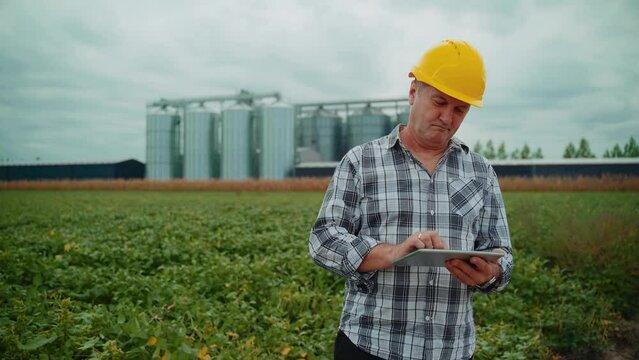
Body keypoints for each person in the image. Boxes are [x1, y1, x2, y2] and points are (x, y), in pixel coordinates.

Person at [309, 39, 514, 360]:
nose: (447, 117)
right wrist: (392, 252)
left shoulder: (481, 171)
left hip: (451, 348)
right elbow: (323, 240)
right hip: (371, 344)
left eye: (459, 109)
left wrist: (492, 274)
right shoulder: (361, 161)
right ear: (413, 93)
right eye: (439, 102)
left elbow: (503, 252)